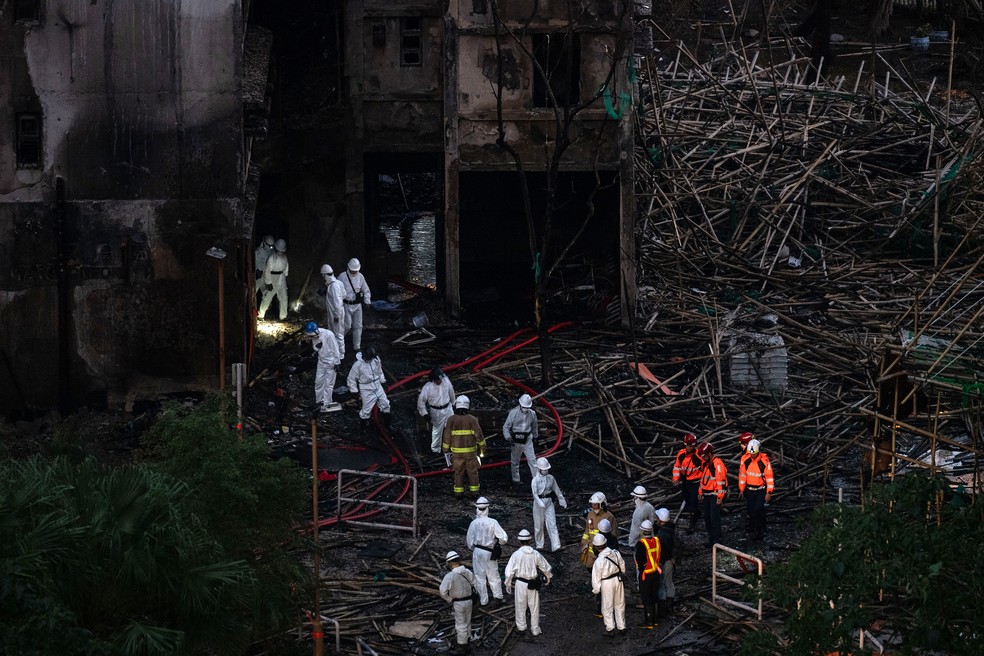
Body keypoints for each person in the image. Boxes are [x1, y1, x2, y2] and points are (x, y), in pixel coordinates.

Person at [504, 529, 552, 638]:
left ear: (519, 541)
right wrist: (548, 577)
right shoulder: (535, 554)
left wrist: (508, 583)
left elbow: (509, 571)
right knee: (534, 607)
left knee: (520, 606)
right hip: (532, 583)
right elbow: (545, 566)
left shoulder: (516, 555)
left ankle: (521, 628)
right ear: (530, 540)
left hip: (520, 583)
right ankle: (535, 629)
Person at [466, 497, 507, 608]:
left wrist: (475, 549)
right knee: (493, 575)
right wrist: (498, 543)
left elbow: (469, 542)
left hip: (477, 552)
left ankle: (483, 600)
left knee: (479, 577)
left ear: (477, 509)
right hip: (490, 552)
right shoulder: (493, 522)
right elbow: (504, 538)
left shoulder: (473, 523)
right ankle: (498, 597)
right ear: (487, 508)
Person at [442, 395, 486, 498]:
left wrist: (445, 449)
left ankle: (458, 493)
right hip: (470, 453)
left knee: (458, 472)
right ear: (468, 406)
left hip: (456, 453)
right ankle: (474, 493)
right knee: (472, 472)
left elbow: (447, 435)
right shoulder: (472, 419)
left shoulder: (451, 420)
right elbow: (479, 434)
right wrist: (483, 446)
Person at [439, 551, 477, 655]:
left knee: (460, 624)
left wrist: (449, 599)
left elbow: (442, 591)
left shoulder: (450, 576)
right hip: (469, 601)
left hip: (458, 603)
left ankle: (462, 646)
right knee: (468, 621)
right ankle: (467, 641)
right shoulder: (467, 572)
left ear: (450, 562)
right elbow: (475, 584)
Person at [346, 346, 391, 433]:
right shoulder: (357, 365)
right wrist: (354, 391)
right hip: (366, 388)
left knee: (385, 405)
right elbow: (351, 379)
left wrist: (383, 380)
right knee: (366, 410)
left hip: (377, 385)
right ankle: (362, 429)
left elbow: (379, 370)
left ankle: (387, 426)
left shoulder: (376, 359)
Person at [590, 532, 627, 637]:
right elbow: (622, 565)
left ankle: (610, 628)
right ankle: (622, 626)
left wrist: (596, 589)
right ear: (605, 543)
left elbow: (596, 578)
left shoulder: (599, 561)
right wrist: (622, 573)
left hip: (607, 583)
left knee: (607, 606)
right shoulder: (615, 553)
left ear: (596, 547)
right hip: (618, 580)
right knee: (620, 604)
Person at [738, 438, 775, 541]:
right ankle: (756, 530)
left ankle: (760, 530)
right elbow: (742, 475)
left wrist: (769, 492)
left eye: (754, 454)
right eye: (751, 453)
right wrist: (741, 489)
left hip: (760, 490)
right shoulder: (745, 460)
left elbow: (769, 478)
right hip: (749, 490)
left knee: (758, 509)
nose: (752, 455)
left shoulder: (764, 462)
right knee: (751, 511)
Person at [303, 321, 342, 413]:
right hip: (321, 361)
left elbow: (335, 348)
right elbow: (315, 348)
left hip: (331, 362)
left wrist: (337, 362)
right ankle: (319, 401)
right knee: (318, 381)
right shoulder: (314, 336)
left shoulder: (328, 335)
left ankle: (327, 403)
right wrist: (318, 346)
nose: (311, 337)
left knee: (329, 384)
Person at [531, 457, 567, 552]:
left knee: (552, 524)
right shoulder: (535, 480)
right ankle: (539, 545)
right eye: (543, 469)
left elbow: (557, 489)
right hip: (539, 504)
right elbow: (534, 494)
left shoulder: (551, 478)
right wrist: (539, 502)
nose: (545, 471)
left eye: (546, 469)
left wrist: (562, 501)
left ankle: (556, 545)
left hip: (549, 502)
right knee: (538, 525)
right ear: (539, 469)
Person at [417, 367, 455, 454]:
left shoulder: (446, 381)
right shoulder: (427, 388)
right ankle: (435, 450)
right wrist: (425, 414)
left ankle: (453, 447)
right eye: (438, 380)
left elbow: (451, 392)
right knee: (437, 431)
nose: (440, 381)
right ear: (433, 379)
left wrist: (453, 403)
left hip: (448, 408)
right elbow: (421, 403)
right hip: (436, 411)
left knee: (452, 428)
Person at [697, 442, 728, 548]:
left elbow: (721, 482)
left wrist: (720, 497)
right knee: (708, 518)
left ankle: (717, 541)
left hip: (715, 495)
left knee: (714, 519)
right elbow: (703, 480)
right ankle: (712, 540)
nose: (702, 457)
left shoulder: (717, 463)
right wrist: (700, 492)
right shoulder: (705, 463)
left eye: (704, 455)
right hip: (707, 495)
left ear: (709, 454)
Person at [502, 393, 538, 485]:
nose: (526, 409)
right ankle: (516, 479)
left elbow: (534, 426)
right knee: (515, 460)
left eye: (527, 407)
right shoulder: (513, 413)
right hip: (516, 439)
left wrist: (535, 436)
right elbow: (506, 427)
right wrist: (508, 437)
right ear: (520, 405)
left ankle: (536, 480)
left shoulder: (532, 414)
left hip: (528, 439)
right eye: (524, 407)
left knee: (532, 460)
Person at [672, 433, 703, 534]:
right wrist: (676, 478)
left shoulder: (699, 456)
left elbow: (704, 469)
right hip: (686, 482)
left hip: (696, 482)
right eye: (688, 445)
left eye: (692, 445)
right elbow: (677, 466)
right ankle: (697, 513)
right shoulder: (681, 454)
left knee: (693, 503)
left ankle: (692, 524)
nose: (690, 447)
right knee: (687, 499)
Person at [633, 519, 661, 629]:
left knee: (646, 597)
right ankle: (655, 620)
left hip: (646, 574)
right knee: (654, 596)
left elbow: (639, 560)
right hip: (656, 572)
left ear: (642, 531)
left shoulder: (641, 544)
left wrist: (641, 569)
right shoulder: (657, 540)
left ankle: (649, 621)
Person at [340, 257, 371, 352]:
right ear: (348, 268)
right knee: (347, 325)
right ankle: (338, 341)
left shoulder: (360, 277)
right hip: (346, 304)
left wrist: (367, 301)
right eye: (352, 271)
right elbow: (337, 291)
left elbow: (365, 289)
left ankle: (356, 346)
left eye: (355, 271)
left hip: (357, 305)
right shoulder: (342, 276)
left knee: (358, 326)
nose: (354, 273)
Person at [580, 492, 617, 569]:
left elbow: (613, 535)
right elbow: (587, 531)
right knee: (589, 567)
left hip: (602, 551)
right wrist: (584, 543)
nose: (593, 507)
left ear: (602, 504)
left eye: (595, 504)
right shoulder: (590, 515)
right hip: (590, 551)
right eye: (592, 504)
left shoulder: (609, 517)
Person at [259, 238, 289, 320]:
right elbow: (267, 271)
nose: (280, 252)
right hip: (273, 278)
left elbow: (286, 267)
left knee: (284, 298)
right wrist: (268, 283)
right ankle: (261, 315)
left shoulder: (284, 257)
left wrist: (285, 275)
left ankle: (283, 316)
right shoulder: (271, 258)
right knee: (267, 297)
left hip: (281, 279)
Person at [320, 264, 346, 359]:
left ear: (325, 275)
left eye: (323, 276)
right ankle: (336, 352)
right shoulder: (338, 283)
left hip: (336, 314)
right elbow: (344, 294)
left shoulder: (334, 286)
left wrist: (336, 315)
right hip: (335, 313)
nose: (323, 278)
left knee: (338, 334)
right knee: (334, 333)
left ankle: (341, 355)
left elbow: (338, 302)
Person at [654, 507, 676, 618]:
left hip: (664, 562)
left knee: (662, 583)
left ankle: (662, 608)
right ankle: (670, 605)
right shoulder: (672, 530)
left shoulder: (662, 534)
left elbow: (661, 550)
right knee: (670, 583)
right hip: (671, 560)